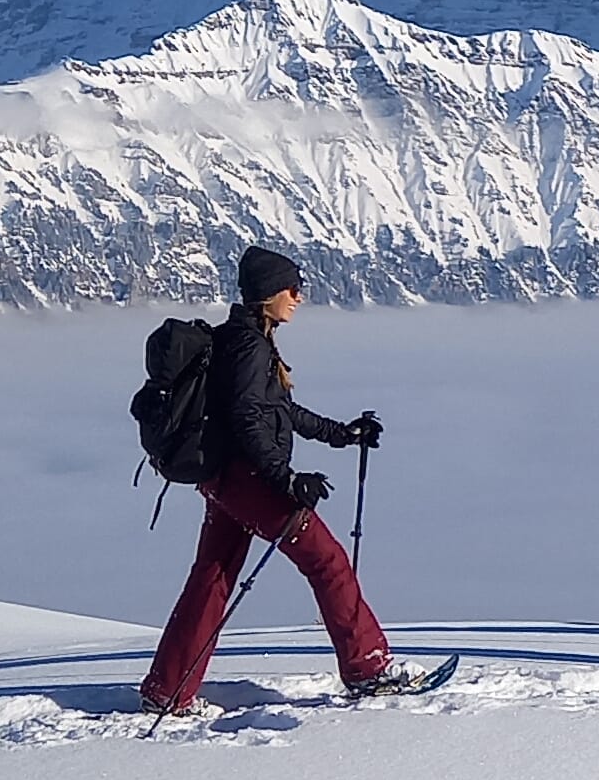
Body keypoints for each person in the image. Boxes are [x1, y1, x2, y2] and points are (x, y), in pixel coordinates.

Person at [140, 248, 438, 716]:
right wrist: (287, 480)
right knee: (328, 562)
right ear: (267, 294)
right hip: (249, 479)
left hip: (225, 478)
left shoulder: (240, 339)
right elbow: (247, 418)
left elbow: (276, 410)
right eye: (291, 288)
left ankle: (167, 690)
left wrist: (341, 434)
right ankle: (368, 668)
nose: (299, 296)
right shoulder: (249, 347)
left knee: (212, 576)